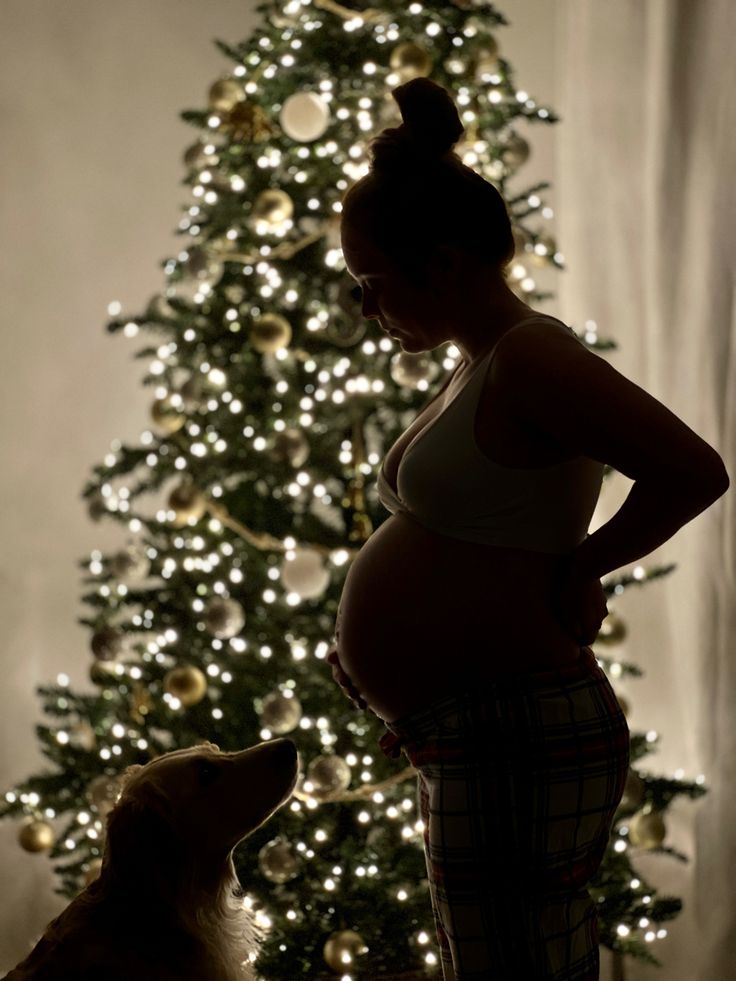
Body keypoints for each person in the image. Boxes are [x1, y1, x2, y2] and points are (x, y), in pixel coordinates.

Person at [327, 77, 730, 980]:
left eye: (371, 284)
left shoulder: (532, 358)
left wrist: (586, 565)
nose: (366, 310)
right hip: (480, 726)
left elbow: (695, 469)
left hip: (518, 726)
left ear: (441, 264)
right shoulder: (480, 364)